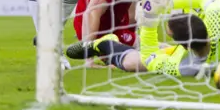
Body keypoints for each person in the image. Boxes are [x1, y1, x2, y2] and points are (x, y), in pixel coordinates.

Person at [67, 11, 211, 77]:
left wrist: (148, 18)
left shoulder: (182, 68)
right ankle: (104, 44)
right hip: (178, 53)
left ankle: (107, 44)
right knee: (140, 59)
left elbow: (150, 57)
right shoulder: (218, 31)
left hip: (172, 58)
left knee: (135, 63)